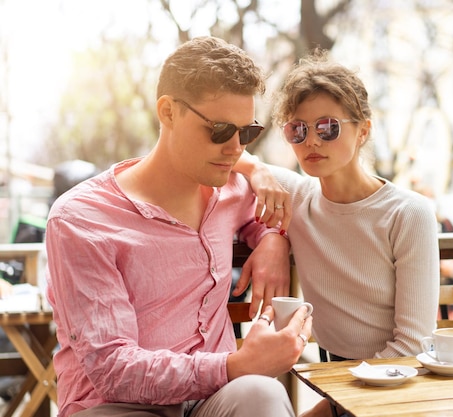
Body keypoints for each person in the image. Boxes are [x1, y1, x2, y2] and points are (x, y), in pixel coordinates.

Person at [45, 36, 312, 417]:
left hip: (214, 400)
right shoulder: (82, 219)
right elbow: (112, 369)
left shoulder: (232, 189)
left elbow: (268, 216)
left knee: (262, 396)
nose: (236, 148)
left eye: (247, 133)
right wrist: (232, 365)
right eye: (220, 130)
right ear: (168, 112)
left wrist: (273, 238)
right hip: (117, 405)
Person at [235, 51, 440, 417]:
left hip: (402, 386)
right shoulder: (295, 196)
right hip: (342, 383)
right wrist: (272, 230)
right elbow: (224, 153)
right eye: (296, 130)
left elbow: (412, 345)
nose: (311, 141)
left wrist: (335, 404)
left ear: (363, 130)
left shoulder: (409, 213)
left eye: (327, 127)